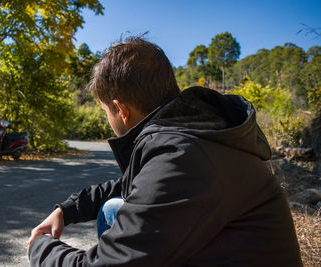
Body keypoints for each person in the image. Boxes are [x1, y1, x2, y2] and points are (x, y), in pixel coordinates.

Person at [27, 37, 302, 266]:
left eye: (106, 112)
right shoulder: (198, 133)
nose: (108, 121)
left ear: (121, 110)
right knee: (113, 208)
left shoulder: (183, 156)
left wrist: (40, 247)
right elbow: (130, 186)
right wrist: (65, 211)